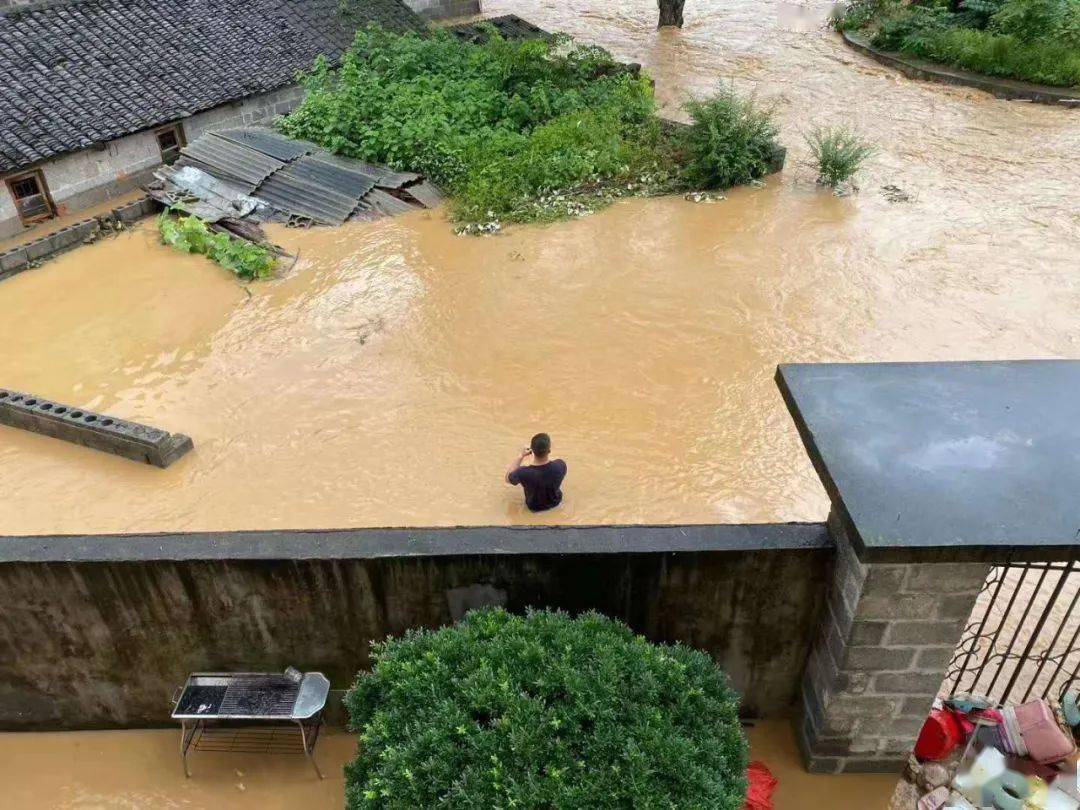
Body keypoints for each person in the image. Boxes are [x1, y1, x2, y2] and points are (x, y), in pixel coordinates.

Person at [505, 432, 567, 512]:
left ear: (532, 451)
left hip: (534, 509)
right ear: (549, 450)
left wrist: (520, 456)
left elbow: (507, 479)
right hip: (556, 504)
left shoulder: (523, 473)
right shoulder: (560, 465)